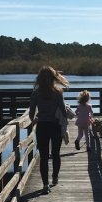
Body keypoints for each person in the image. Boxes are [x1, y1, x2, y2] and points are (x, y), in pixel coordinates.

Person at [28, 65, 70, 194]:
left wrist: (35, 118)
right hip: (55, 126)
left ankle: (45, 185)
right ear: (53, 78)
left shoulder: (36, 93)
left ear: (39, 78)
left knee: (44, 157)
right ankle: (55, 178)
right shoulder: (58, 92)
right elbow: (63, 110)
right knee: (56, 154)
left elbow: (31, 114)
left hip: (42, 126)